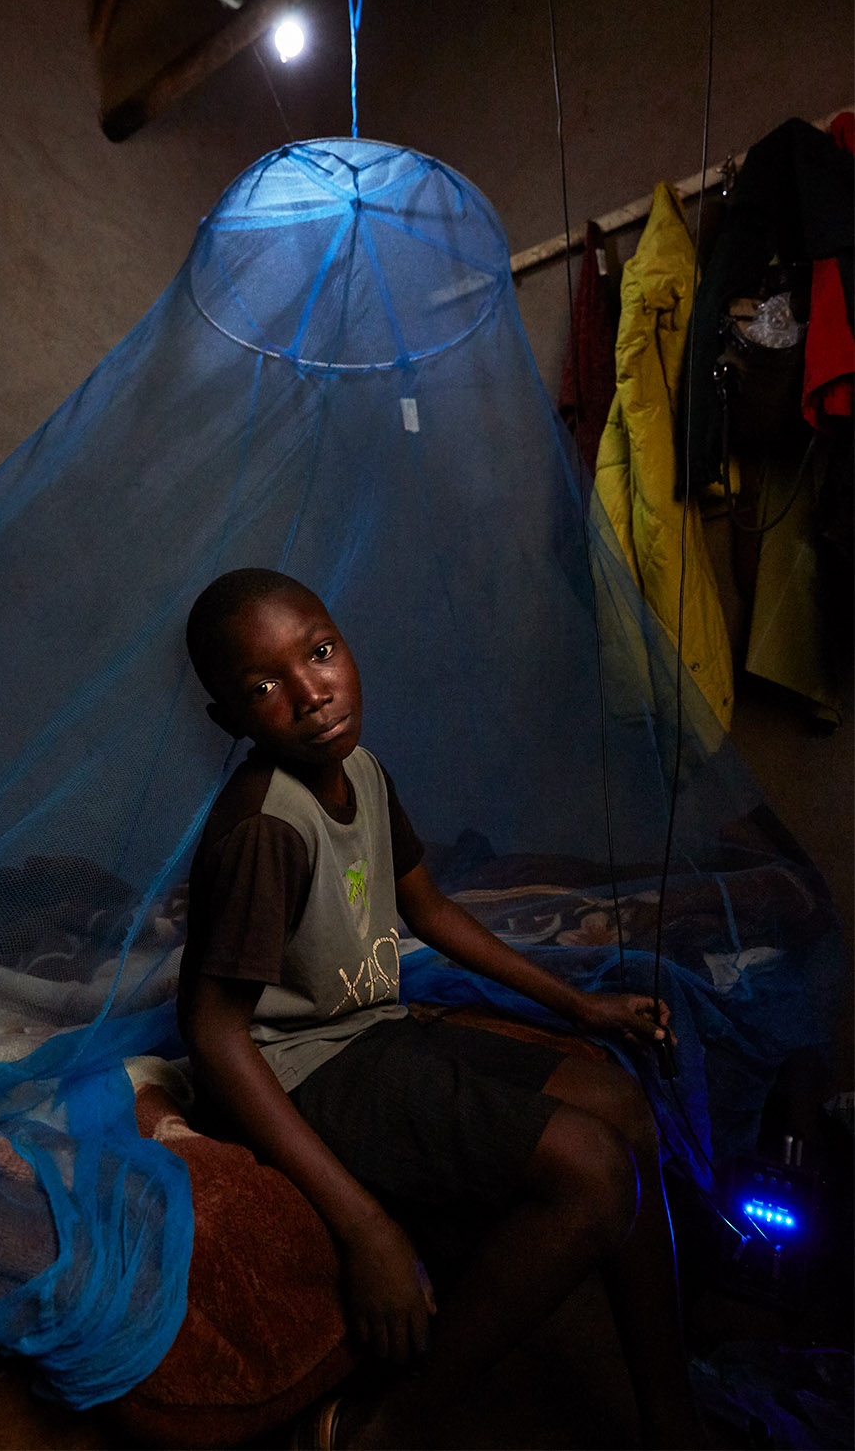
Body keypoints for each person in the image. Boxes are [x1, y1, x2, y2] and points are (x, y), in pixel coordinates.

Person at [178, 567, 704, 1450]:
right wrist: (366, 1228)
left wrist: (579, 1005)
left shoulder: (362, 770)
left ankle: (671, 1417)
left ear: (344, 644)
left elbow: (429, 910)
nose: (311, 694)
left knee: (620, 1105)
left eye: (319, 652)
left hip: (372, 1033)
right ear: (230, 720)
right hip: (303, 1072)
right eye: (265, 687)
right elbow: (214, 1033)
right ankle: (377, 1428)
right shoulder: (265, 826)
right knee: (592, 1168)